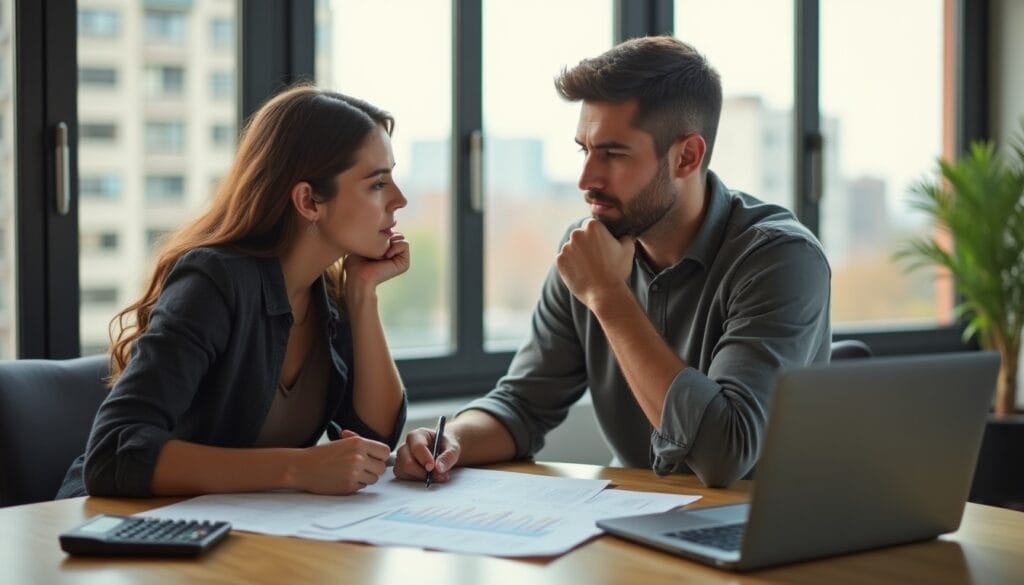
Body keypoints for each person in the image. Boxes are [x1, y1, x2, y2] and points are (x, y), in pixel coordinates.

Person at [394, 36, 831, 488]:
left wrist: (607, 295)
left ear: (686, 157)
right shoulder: (588, 248)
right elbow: (524, 405)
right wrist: (452, 441)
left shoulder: (779, 258)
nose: (586, 179)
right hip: (632, 524)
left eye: (614, 154)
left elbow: (726, 453)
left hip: (752, 530)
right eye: (585, 149)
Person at [57, 84, 409, 498]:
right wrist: (296, 468)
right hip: (125, 525)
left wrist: (363, 294)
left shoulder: (329, 294)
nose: (400, 200)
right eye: (377, 184)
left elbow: (376, 438)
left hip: (234, 532)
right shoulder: (214, 282)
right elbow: (114, 453)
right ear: (309, 201)